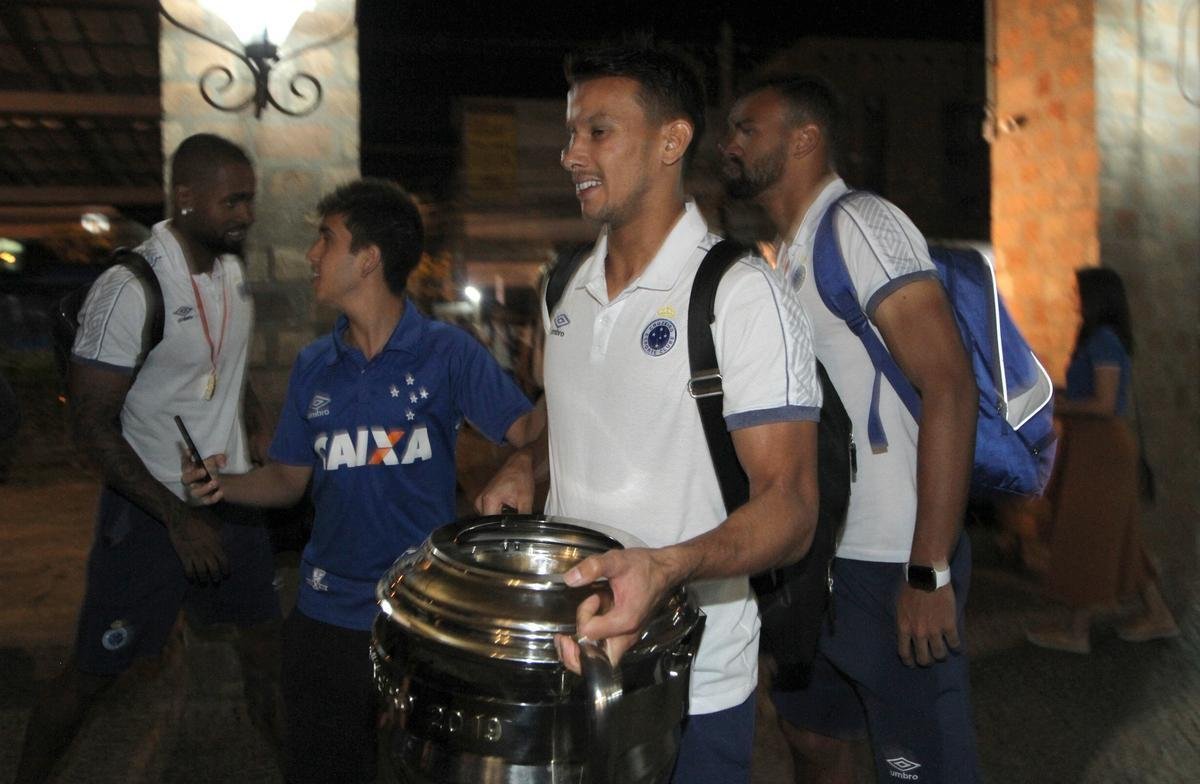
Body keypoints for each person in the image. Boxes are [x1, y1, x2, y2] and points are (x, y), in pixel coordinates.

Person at [476, 39, 821, 784]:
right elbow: (567, 412)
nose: (571, 154)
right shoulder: (563, 284)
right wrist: (525, 463)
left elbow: (792, 507)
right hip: (569, 658)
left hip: (690, 680)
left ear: (672, 141)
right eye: (571, 132)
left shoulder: (740, 295)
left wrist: (666, 568)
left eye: (598, 131)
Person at [183, 178, 539, 784]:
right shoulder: (314, 365)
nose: (311, 255)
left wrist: (527, 455)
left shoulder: (447, 353)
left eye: (326, 239)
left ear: (369, 258)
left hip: (423, 616)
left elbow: (529, 431)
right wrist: (224, 484)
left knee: (428, 771)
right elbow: (288, 480)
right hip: (326, 614)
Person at [721, 76, 981, 783]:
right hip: (818, 559)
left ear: (805, 138)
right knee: (809, 733)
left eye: (748, 128)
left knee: (918, 764)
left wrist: (927, 568)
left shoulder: (860, 224)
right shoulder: (788, 253)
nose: (729, 143)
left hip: (891, 556)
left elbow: (950, 384)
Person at [15, 133, 281, 784]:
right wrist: (176, 518)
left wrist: (252, 434)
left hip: (232, 508)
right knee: (94, 675)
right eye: (232, 201)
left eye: (250, 199)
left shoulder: (232, 271)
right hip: (150, 519)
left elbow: (221, 366)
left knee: (268, 658)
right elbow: (90, 424)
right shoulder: (130, 287)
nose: (246, 214)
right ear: (185, 198)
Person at [1024, 267, 1177, 653]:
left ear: (1098, 297)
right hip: (1092, 447)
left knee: (1086, 533)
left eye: (1079, 292)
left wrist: (1057, 406)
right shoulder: (1098, 339)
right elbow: (1090, 393)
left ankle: (1077, 632)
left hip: (1102, 451)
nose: (1073, 298)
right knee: (1118, 536)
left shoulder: (1104, 340)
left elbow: (1104, 404)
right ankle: (1159, 615)